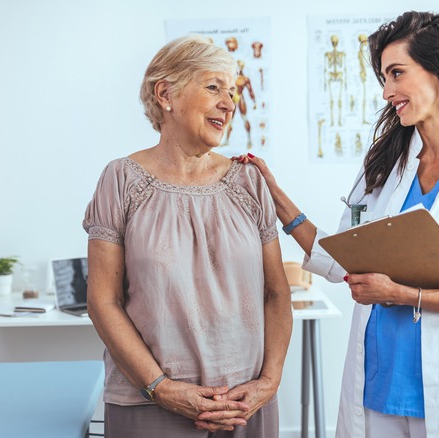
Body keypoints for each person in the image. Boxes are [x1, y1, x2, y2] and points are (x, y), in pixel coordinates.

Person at [234, 11, 439, 438]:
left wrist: (402, 294)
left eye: (397, 73)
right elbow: (341, 259)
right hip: (378, 380)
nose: (387, 91)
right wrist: (275, 195)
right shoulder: (385, 163)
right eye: (383, 77)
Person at [83, 34, 293, 438]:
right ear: (166, 94)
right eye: (213, 87)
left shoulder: (249, 181)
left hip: (244, 405)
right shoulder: (121, 179)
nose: (228, 103)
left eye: (231, 92)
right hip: (149, 403)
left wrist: (269, 382)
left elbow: (277, 293)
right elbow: (102, 301)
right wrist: (161, 388)